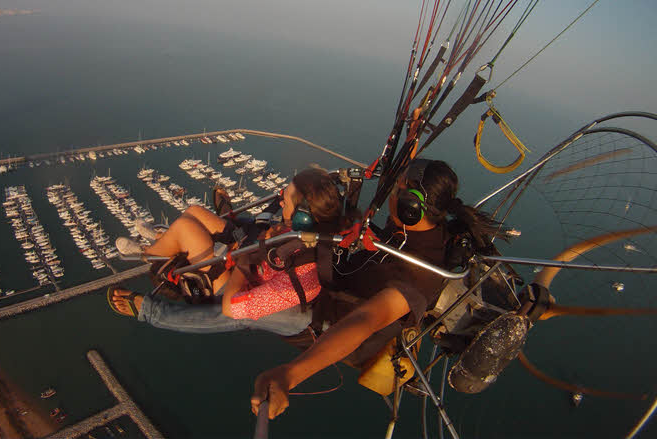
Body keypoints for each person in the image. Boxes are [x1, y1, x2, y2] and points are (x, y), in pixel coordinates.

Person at [249, 158, 505, 420]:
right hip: (333, 279)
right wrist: (415, 127)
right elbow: (401, 173)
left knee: (227, 303)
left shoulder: (419, 276)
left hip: (327, 320)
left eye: (394, 191)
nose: (388, 192)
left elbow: (364, 321)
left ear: (410, 207)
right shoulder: (417, 228)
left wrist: (290, 375)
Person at [109, 167, 348, 335]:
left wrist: (244, 260)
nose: (281, 203)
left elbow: (229, 309)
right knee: (194, 211)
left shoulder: (298, 285)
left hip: (235, 283)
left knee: (185, 229)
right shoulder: (303, 234)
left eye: (285, 201)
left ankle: (146, 252)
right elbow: (270, 250)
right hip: (253, 256)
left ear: (304, 218)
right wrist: (262, 241)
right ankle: (159, 242)